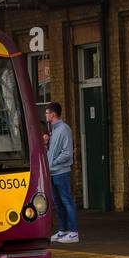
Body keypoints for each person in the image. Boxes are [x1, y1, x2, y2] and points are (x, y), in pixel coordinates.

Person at [45, 103, 78, 243]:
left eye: (47, 113)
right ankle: (62, 231)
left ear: (53, 114)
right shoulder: (54, 130)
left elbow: (67, 153)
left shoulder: (64, 129)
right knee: (58, 203)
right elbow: (53, 152)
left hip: (61, 172)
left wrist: (52, 163)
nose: (45, 115)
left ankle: (73, 232)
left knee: (66, 201)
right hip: (53, 172)